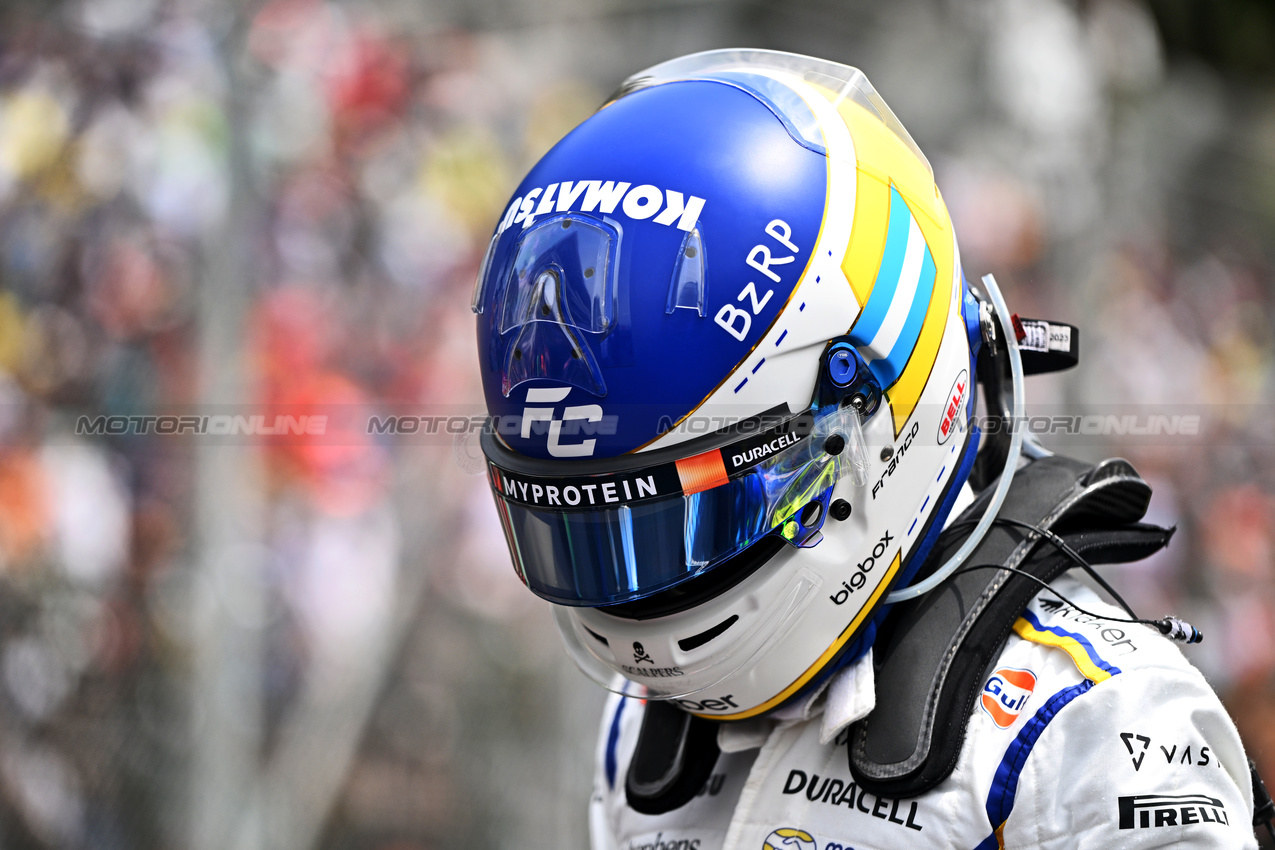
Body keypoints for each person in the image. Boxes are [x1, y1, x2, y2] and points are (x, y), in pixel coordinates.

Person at [470, 49, 1270, 849]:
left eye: (688, 519)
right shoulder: (642, 725)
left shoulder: (1093, 728)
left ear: (868, 417)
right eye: (592, 541)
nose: (636, 598)